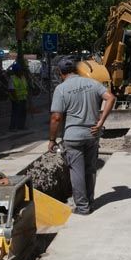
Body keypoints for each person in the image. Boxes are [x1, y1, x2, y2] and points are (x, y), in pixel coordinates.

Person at [49, 57, 116, 215]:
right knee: (90, 169)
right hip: (92, 134)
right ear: (75, 70)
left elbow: (56, 118)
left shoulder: (61, 89)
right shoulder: (92, 83)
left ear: (60, 73)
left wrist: (52, 139)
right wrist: (100, 122)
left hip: (73, 137)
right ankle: (90, 201)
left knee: (76, 172)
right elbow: (111, 98)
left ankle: (83, 207)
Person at [7, 62, 30, 131]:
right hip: (16, 99)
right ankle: (12, 127)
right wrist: (16, 99)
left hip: (23, 98)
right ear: (16, 71)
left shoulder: (23, 77)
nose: (21, 72)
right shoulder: (12, 78)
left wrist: (28, 96)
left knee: (23, 113)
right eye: (19, 70)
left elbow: (26, 87)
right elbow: (12, 90)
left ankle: (21, 126)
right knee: (15, 113)